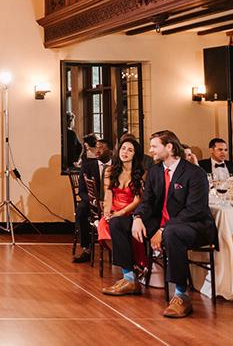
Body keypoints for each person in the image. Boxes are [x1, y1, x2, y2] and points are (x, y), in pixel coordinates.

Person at [104, 130, 217, 319]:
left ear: (169, 147)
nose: (151, 150)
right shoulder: (156, 170)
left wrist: (163, 230)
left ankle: (181, 295)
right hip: (162, 222)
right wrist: (138, 218)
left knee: (172, 232)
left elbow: (194, 210)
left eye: (154, 146)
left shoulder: (194, 173)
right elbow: (147, 201)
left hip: (194, 225)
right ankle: (130, 279)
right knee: (118, 223)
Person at [97, 137, 146, 271]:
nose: (125, 152)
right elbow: (108, 194)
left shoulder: (140, 173)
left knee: (117, 223)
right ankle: (129, 263)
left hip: (130, 210)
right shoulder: (110, 171)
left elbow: (138, 201)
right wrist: (106, 212)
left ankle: (130, 266)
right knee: (103, 225)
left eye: (130, 150)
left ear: (135, 154)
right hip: (114, 208)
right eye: (123, 148)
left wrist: (120, 213)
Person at [73, 138, 112, 263]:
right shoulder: (88, 166)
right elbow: (82, 191)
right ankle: (86, 249)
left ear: (110, 151)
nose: (98, 151)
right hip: (92, 202)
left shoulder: (117, 166)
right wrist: (93, 201)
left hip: (112, 202)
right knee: (81, 210)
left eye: (102, 148)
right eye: (96, 147)